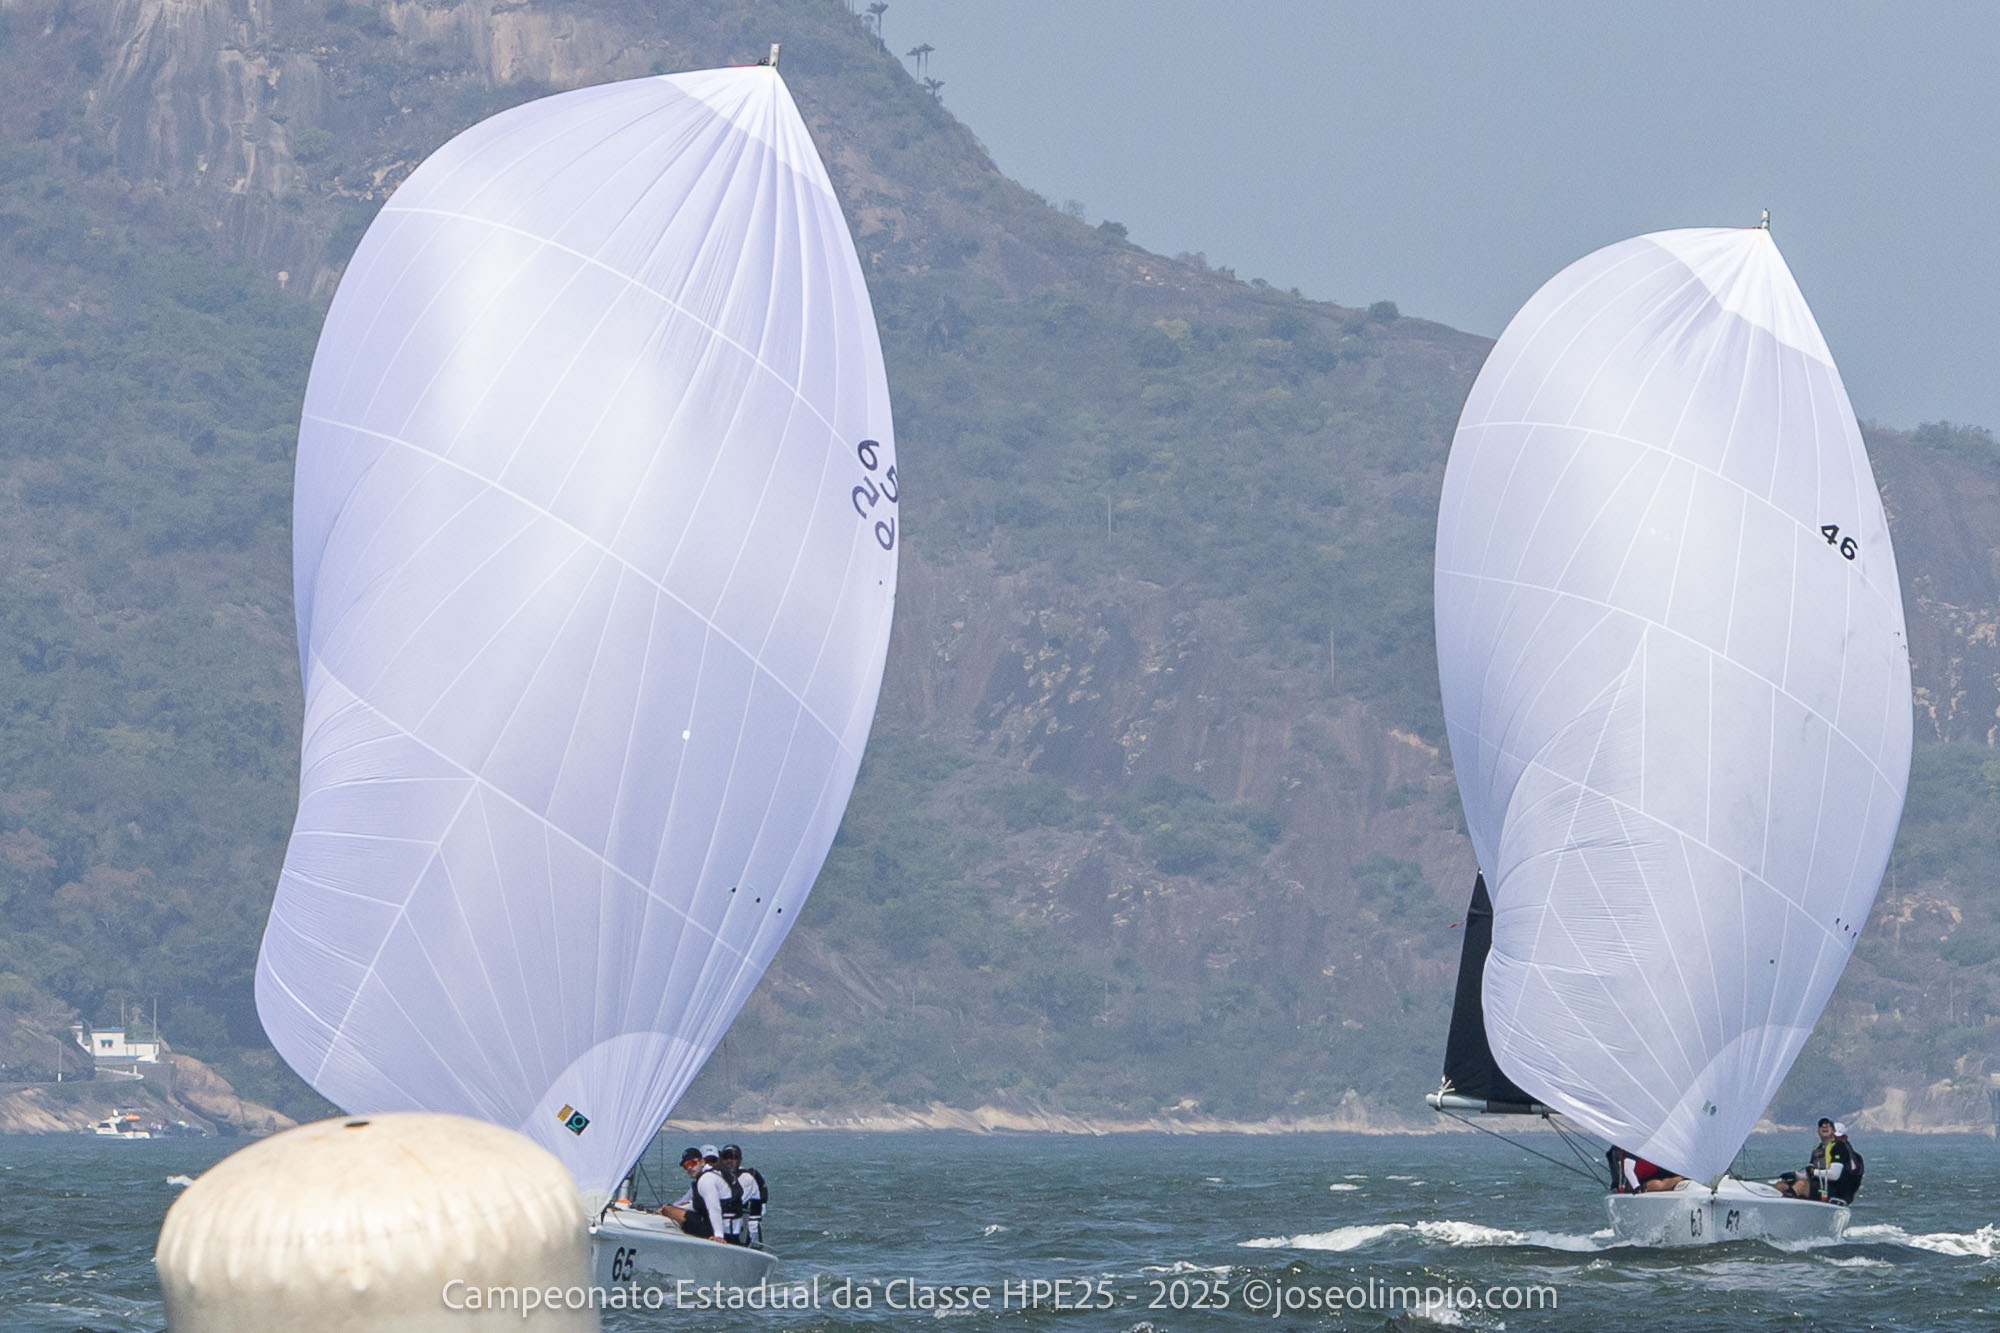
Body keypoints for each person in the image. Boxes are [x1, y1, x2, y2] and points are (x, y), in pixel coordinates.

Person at [658, 1145, 732, 1241]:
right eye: (686, 1166)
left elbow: (714, 1208)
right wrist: (676, 1207)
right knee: (670, 1209)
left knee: (668, 1211)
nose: (689, 1168)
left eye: (693, 1163)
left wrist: (718, 1235)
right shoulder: (712, 1174)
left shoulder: (706, 1179)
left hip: (718, 1228)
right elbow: (697, 1205)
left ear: (702, 1162)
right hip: (718, 1222)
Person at [1774, 1118, 1855, 1201]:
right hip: (1816, 1185)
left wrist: (1813, 1172)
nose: (1824, 1126)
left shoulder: (1839, 1147)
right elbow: (1810, 1171)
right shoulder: (1817, 1149)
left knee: (1801, 1185)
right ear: (1818, 1131)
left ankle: (1789, 1204)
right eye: (1821, 1125)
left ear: (1834, 1131)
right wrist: (1795, 1175)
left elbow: (1834, 1175)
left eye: (1828, 1125)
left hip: (1832, 1189)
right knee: (1780, 1185)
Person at [719, 1144, 768, 1246]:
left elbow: (737, 1202)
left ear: (740, 1160)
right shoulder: (719, 1177)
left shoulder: (746, 1178)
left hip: (747, 1227)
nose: (729, 1160)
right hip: (728, 1224)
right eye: (726, 1157)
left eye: (734, 1157)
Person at [1608, 1146, 1686, 1193]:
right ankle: (1683, 1177)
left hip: (1654, 1169)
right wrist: (1637, 1188)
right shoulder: (1624, 1151)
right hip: (1644, 1174)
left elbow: (1627, 1169)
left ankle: (1684, 1178)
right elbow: (1628, 1170)